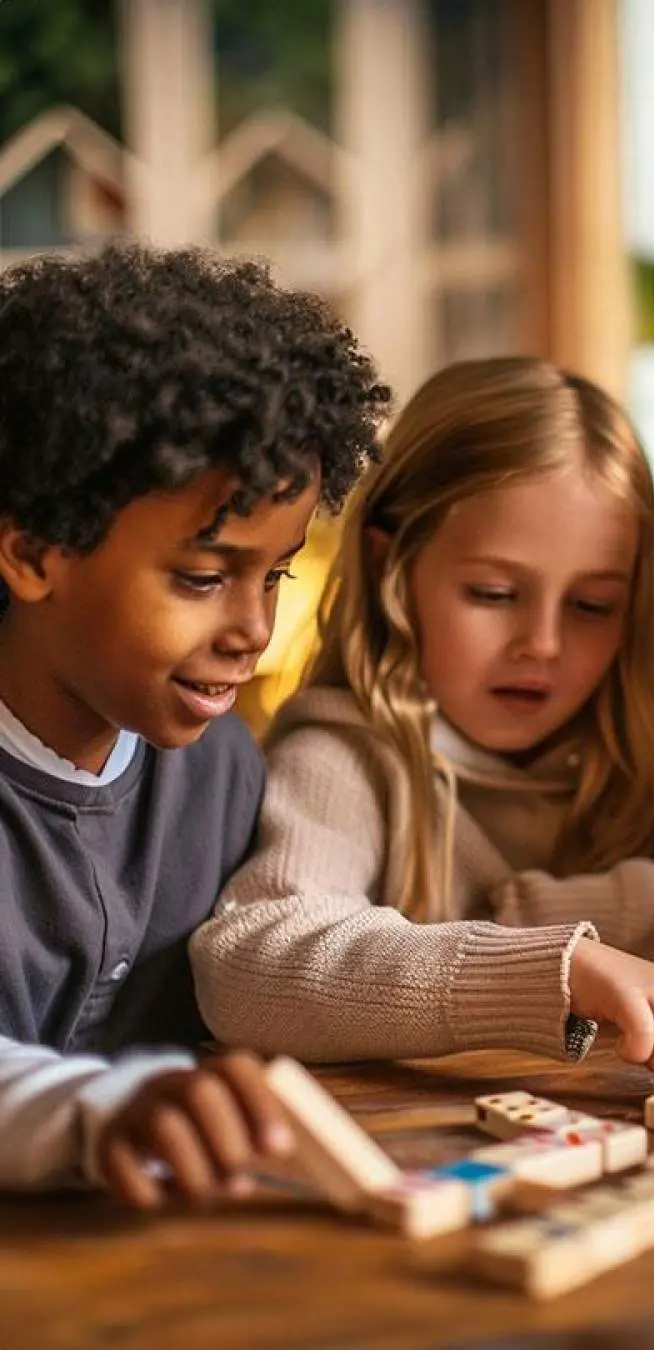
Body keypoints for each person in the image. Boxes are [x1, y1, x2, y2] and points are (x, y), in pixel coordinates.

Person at [190, 356, 654, 1094]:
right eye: (496, 593)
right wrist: (558, 967)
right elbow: (247, 965)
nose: (544, 644)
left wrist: (568, 911)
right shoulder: (345, 756)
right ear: (391, 564)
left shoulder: (645, 749)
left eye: (592, 605)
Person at [0, 242, 390, 1202]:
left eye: (277, 572)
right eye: (204, 578)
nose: (253, 629)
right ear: (37, 552)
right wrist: (99, 1109)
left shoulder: (221, 769)